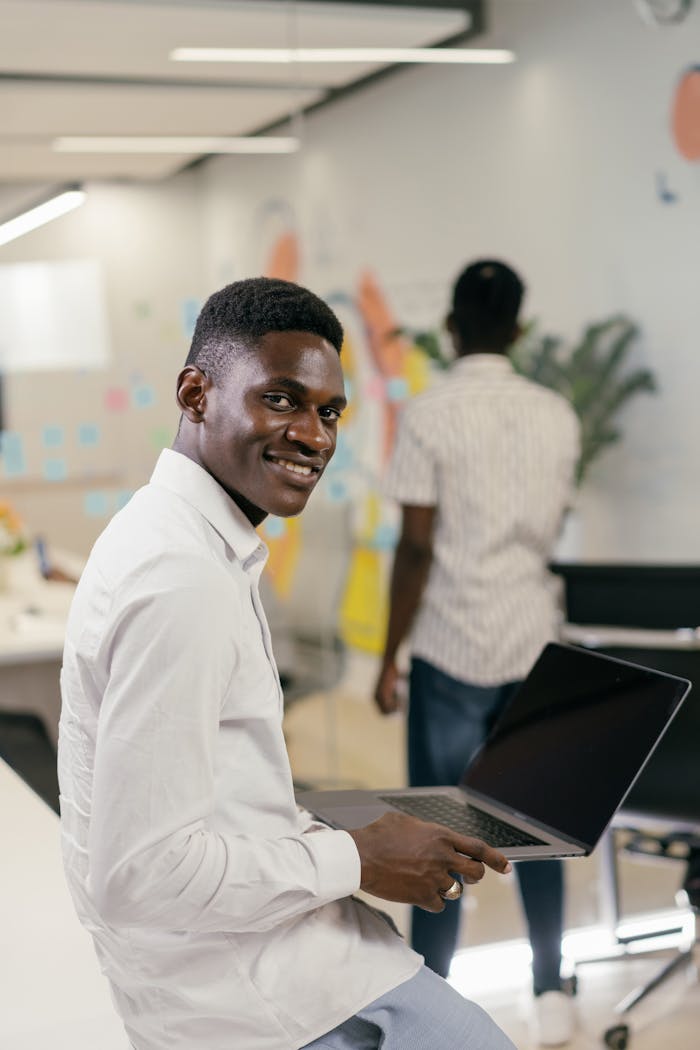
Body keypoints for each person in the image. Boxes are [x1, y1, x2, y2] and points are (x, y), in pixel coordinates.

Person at [57, 276, 517, 1050]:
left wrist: (321, 829)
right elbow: (140, 878)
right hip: (271, 999)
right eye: (280, 399)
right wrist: (356, 855)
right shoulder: (181, 579)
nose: (314, 435)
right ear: (196, 393)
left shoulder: (176, 537)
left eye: (328, 411)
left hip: (257, 967)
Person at [373, 260, 581, 1047]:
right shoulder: (558, 415)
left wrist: (389, 655)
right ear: (519, 331)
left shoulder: (429, 414)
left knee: (441, 831)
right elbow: (550, 527)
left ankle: (432, 999)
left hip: (452, 643)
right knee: (542, 824)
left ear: (453, 328)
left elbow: (417, 548)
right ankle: (551, 989)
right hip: (535, 642)